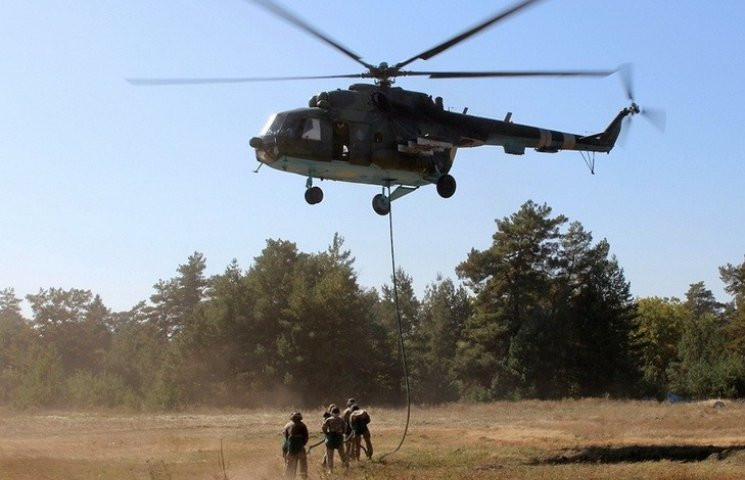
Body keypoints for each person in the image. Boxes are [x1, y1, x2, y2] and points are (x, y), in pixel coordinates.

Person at [282, 412, 309, 480]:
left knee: (289, 466)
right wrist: (301, 445)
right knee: (303, 464)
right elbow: (306, 437)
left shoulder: (287, 425)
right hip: (300, 449)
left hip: (290, 449)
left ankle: (288, 478)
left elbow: (286, 439)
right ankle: (304, 477)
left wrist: (290, 448)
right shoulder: (303, 425)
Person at [321, 406, 348, 471]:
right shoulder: (341, 420)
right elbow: (345, 428)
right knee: (342, 454)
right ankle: (346, 467)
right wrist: (343, 432)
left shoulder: (329, 419)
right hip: (339, 438)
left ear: (331, 413)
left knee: (330, 455)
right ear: (339, 413)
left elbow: (323, 427)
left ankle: (331, 470)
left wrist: (327, 433)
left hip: (331, 438)